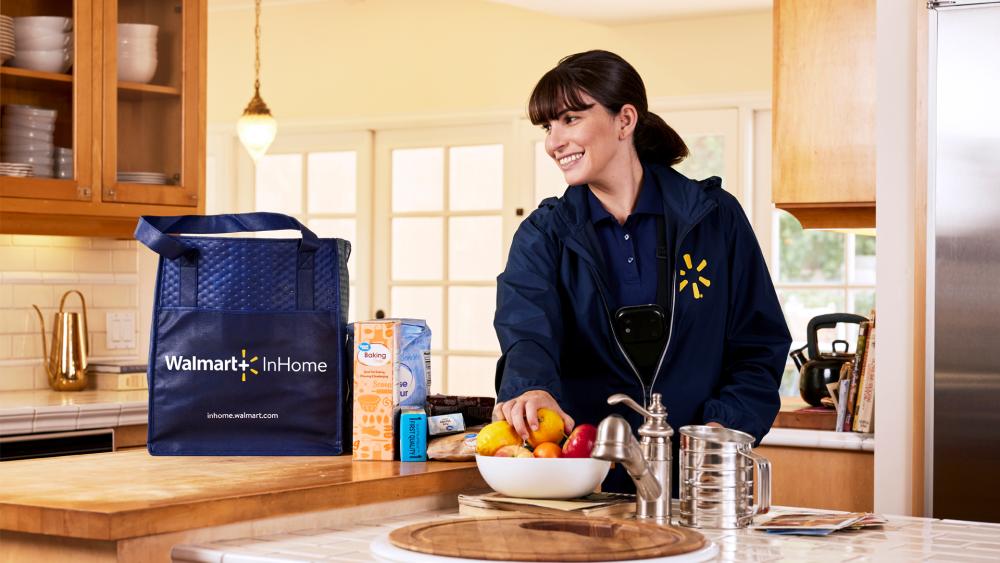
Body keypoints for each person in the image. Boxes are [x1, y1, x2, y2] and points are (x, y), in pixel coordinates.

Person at [492, 50, 792, 493]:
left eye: (571, 119)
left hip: (703, 484)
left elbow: (758, 344)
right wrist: (531, 387)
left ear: (624, 120)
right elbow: (527, 332)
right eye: (548, 127)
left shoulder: (715, 218)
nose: (554, 142)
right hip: (586, 487)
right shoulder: (543, 235)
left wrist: (720, 433)